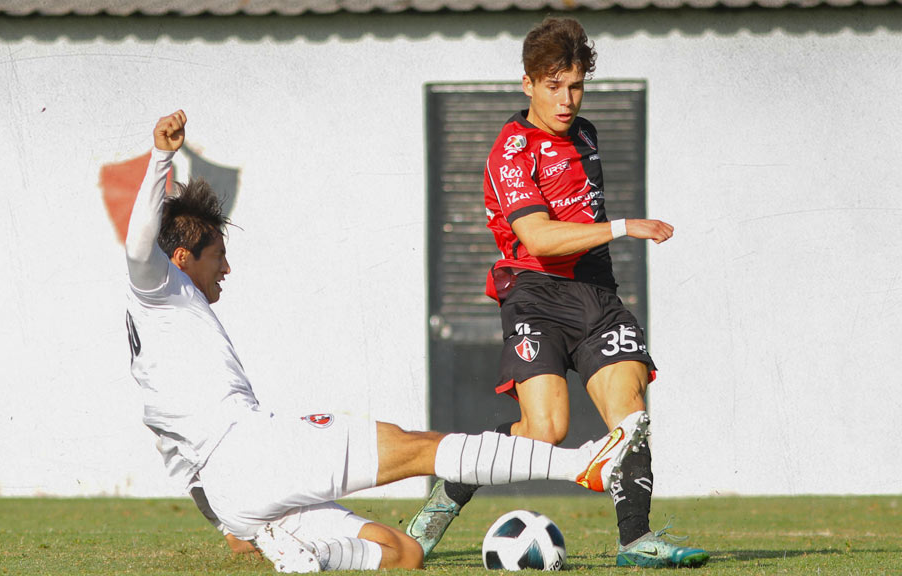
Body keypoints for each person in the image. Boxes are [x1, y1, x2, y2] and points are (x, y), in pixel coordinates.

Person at [124, 110, 651, 573]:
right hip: (255, 450)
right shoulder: (157, 290)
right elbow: (138, 243)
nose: (227, 267)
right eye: (219, 255)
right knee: (421, 448)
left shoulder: (164, 339)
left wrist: (231, 521)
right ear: (182, 259)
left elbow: (179, 456)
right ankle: (580, 464)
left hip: (234, 493)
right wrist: (159, 159)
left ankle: (308, 554)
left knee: (403, 553)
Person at [405, 18, 709, 568]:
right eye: (553, 86)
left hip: (595, 293)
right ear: (528, 84)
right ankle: (446, 497)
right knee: (545, 430)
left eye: (575, 86)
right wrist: (624, 227)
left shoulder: (587, 133)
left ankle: (636, 541)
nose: (566, 100)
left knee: (629, 415)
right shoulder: (511, 150)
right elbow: (540, 239)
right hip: (536, 295)